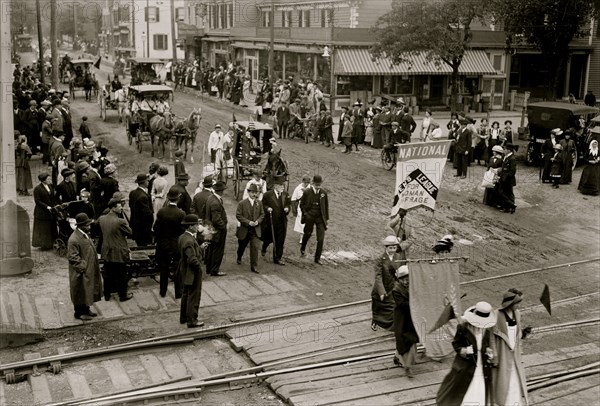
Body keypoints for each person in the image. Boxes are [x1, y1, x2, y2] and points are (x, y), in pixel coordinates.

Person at [436, 301, 497, 405]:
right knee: (463, 390)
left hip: (481, 366)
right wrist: (463, 350)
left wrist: (488, 351)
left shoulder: (486, 330)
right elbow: (456, 344)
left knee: (479, 389)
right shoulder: (463, 328)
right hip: (465, 366)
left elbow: (484, 345)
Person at [492, 289, 530, 406]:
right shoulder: (497, 315)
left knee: (515, 381)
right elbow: (491, 337)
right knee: (503, 383)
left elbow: (515, 333)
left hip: (515, 355)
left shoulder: (517, 314)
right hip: (503, 354)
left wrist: (523, 334)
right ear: (510, 303)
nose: (519, 306)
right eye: (517, 303)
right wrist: (494, 355)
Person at [67, 213, 103, 321]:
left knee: (87, 290)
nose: (89, 226)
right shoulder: (73, 239)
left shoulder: (84, 234)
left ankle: (86, 310)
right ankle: (78, 313)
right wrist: (84, 267)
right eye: (86, 225)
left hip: (89, 269)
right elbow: (72, 257)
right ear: (80, 225)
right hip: (81, 271)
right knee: (79, 291)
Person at [97, 197, 133, 302]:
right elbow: (130, 232)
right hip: (119, 251)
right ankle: (122, 295)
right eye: (119, 206)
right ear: (113, 208)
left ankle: (107, 294)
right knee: (122, 274)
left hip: (107, 250)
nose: (121, 208)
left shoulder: (102, 219)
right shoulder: (120, 221)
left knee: (107, 273)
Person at [178, 214, 207, 328]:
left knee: (186, 294)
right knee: (194, 296)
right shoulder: (189, 240)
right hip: (192, 273)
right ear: (191, 226)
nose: (198, 226)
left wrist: (199, 248)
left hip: (184, 271)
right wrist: (199, 268)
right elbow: (191, 259)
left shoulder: (183, 237)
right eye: (196, 224)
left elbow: (189, 253)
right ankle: (192, 320)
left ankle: (184, 317)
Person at [390, 264, 418, 377]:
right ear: (399, 280)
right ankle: (408, 366)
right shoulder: (396, 290)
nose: (406, 282)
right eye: (404, 280)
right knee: (407, 340)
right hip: (402, 318)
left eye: (408, 279)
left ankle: (398, 357)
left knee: (410, 340)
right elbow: (402, 305)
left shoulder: (412, 286)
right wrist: (416, 301)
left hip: (412, 317)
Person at [371, 236, 404, 332]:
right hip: (383, 288)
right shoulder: (380, 259)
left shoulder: (398, 257)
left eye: (394, 248)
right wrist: (381, 292)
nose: (392, 250)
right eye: (390, 248)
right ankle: (375, 321)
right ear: (386, 247)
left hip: (393, 288)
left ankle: (394, 327)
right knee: (378, 308)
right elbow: (378, 276)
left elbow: (400, 272)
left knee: (394, 308)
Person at [300, 175, 329, 265]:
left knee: (320, 239)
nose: (318, 186)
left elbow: (326, 207)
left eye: (319, 185)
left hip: (320, 218)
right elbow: (302, 204)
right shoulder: (307, 192)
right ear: (313, 184)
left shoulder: (324, 193)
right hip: (310, 216)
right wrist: (305, 214)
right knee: (307, 233)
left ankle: (317, 258)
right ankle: (303, 247)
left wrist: (326, 219)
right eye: (316, 185)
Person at [235, 183, 265, 274]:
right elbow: (238, 215)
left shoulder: (259, 203)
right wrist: (248, 222)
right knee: (242, 246)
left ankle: (254, 266)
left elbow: (262, 214)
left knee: (255, 247)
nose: (254, 194)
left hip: (255, 230)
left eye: (256, 192)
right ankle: (239, 256)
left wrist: (258, 222)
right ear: (248, 192)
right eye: (252, 192)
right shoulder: (242, 203)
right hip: (245, 229)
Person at [261, 177, 291, 265]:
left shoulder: (286, 194)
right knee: (269, 238)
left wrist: (287, 208)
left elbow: (288, 204)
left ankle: (277, 258)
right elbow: (263, 205)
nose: (283, 187)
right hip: (270, 222)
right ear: (275, 186)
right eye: (281, 185)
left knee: (280, 240)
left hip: (282, 222)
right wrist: (267, 208)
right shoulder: (267, 195)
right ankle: (264, 246)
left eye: (283, 185)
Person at [204, 180, 228, 276]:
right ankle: (215, 270)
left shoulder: (210, 198)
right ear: (221, 191)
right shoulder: (216, 202)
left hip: (210, 229)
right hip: (217, 230)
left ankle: (209, 268)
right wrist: (224, 227)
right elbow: (216, 220)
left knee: (211, 249)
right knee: (218, 250)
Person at [32, 172, 57, 250]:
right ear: (43, 180)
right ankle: (43, 245)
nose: (50, 180)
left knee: (50, 227)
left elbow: (52, 197)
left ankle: (51, 243)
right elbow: (38, 201)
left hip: (50, 211)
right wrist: (47, 207)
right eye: (48, 179)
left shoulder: (50, 186)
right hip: (41, 212)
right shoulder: (37, 189)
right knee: (43, 229)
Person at [129, 174, 154, 246]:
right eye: (147, 181)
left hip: (135, 223)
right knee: (143, 245)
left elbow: (131, 205)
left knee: (139, 243)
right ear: (144, 182)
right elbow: (146, 212)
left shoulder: (133, 193)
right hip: (143, 226)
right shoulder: (143, 196)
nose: (148, 182)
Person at [496, 143, 518, 213]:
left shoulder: (512, 159)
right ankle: (509, 206)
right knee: (507, 193)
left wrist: (505, 177)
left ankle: (510, 206)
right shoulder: (505, 157)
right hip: (503, 178)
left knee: (503, 192)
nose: (503, 150)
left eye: (505, 149)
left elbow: (512, 171)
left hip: (507, 179)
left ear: (509, 150)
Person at [291, 175, 310, 243]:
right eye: (305, 183)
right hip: (301, 207)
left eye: (307, 183)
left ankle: (306, 235)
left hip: (309, 207)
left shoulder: (310, 188)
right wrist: (294, 210)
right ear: (303, 181)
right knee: (301, 222)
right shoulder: (298, 188)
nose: (306, 184)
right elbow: (293, 198)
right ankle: (301, 238)